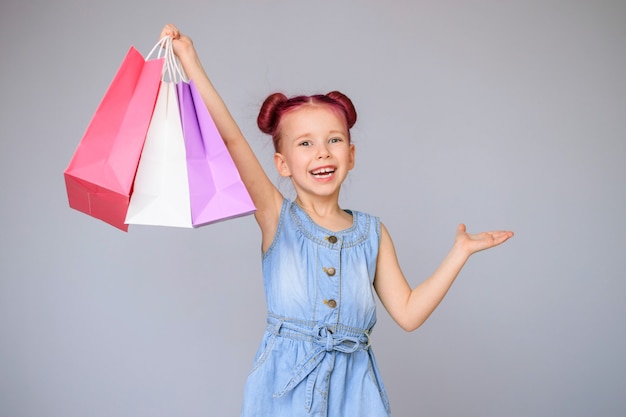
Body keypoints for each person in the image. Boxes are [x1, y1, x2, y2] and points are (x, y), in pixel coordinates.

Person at [160, 23, 514, 417]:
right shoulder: (277, 216)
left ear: (351, 154)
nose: (323, 153)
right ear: (282, 164)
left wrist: (459, 253)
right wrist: (189, 60)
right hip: (283, 390)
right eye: (305, 143)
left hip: (355, 392)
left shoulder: (372, 233)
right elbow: (229, 141)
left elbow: (410, 314)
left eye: (334, 140)